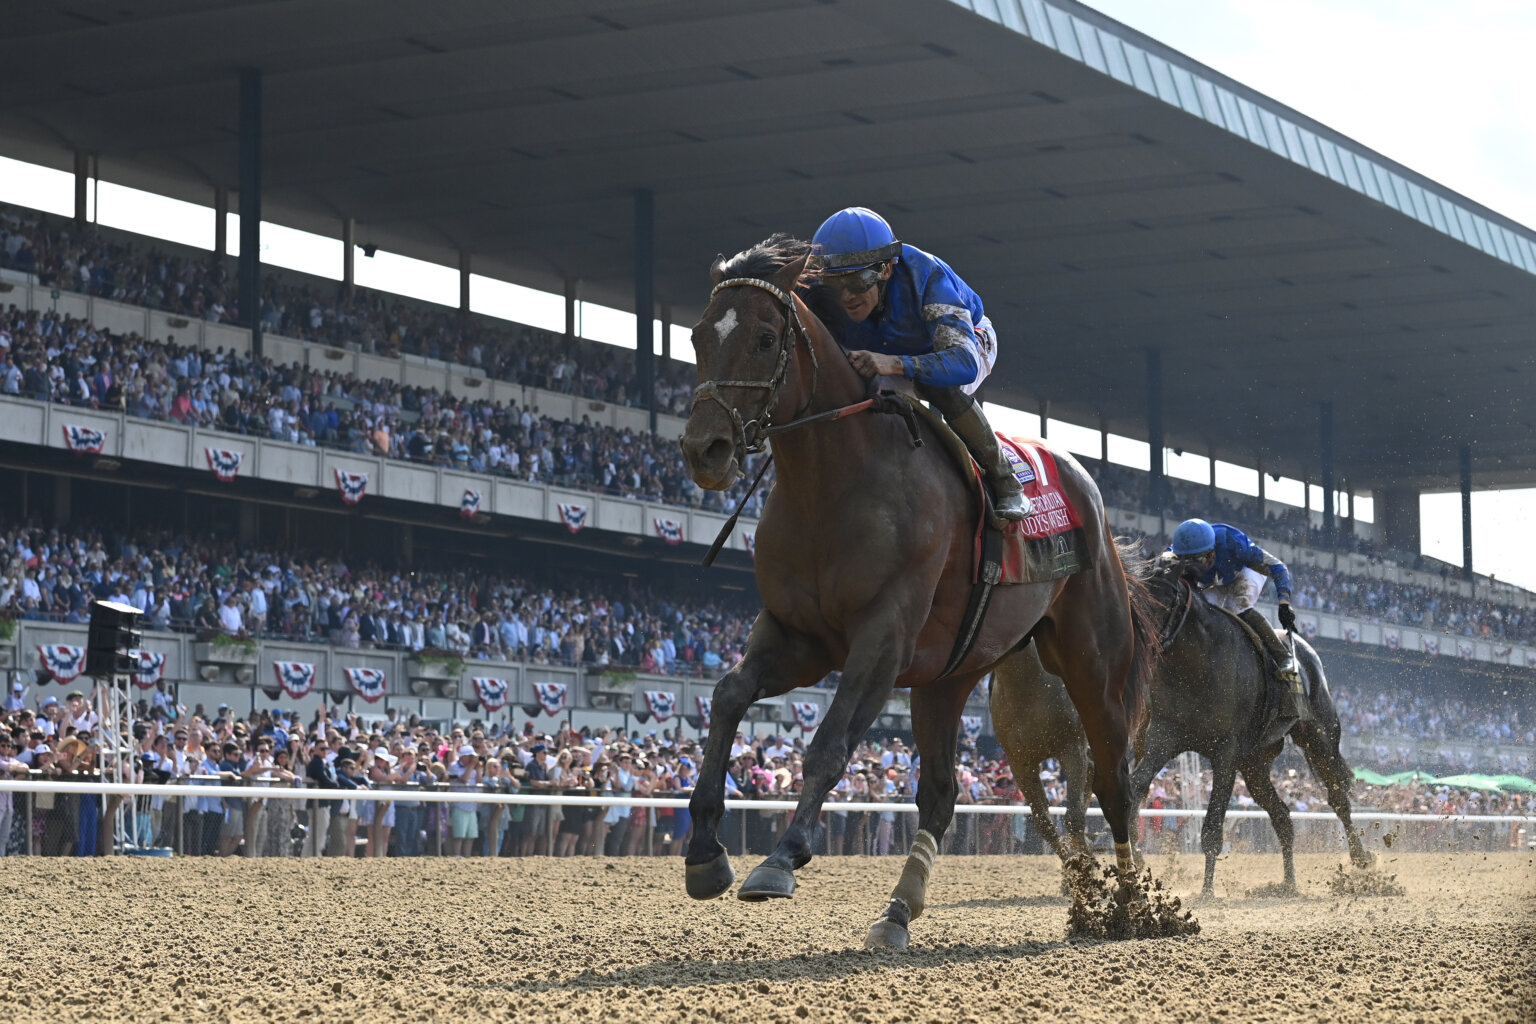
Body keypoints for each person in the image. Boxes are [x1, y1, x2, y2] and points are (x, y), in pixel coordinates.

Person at [810, 207, 1030, 521]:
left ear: (885, 270)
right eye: (834, 284)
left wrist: (895, 363)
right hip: (888, 350)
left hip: (967, 342)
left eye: (858, 281)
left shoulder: (926, 276)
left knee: (937, 384)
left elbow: (963, 363)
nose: (846, 297)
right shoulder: (820, 296)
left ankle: (1005, 479)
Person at [1167, 518, 1308, 737]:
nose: (1190, 568)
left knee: (1237, 607)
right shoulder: (1173, 555)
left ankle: (1282, 657)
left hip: (1244, 571)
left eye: (1196, 561)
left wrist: (1284, 603)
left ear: (1211, 553)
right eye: (1185, 562)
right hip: (1215, 580)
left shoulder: (1235, 544)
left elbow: (1278, 567)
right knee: (1205, 611)